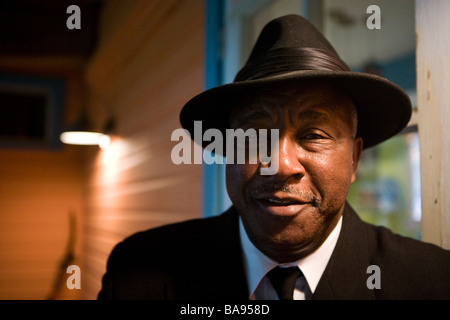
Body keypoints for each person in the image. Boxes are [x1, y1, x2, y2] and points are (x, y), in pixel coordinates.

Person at [98, 14, 450, 300]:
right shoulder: (139, 273)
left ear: (354, 159)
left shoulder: (431, 282)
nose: (280, 165)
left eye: (313, 136)